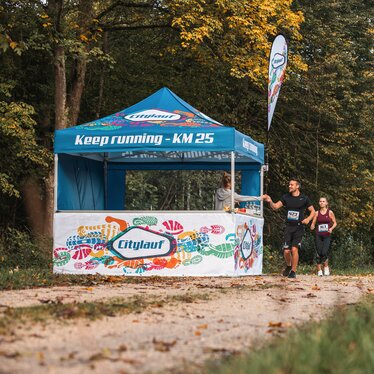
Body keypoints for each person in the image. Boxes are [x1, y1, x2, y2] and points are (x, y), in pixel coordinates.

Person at [262, 179, 315, 278]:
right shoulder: (286, 197)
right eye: (289, 185)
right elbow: (275, 207)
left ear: (297, 186)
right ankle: (289, 266)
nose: (289, 186)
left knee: (294, 249)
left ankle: (293, 272)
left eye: (292, 185)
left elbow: (313, 211)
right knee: (286, 251)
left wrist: (308, 219)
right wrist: (270, 201)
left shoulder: (304, 198)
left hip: (299, 227)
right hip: (288, 227)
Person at [310, 197, 337, 276]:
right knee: (319, 253)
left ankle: (326, 267)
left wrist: (331, 228)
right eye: (320, 201)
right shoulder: (316, 213)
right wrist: (312, 225)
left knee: (324, 252)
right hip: (318, 235)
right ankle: (319, 270)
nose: (322, 202)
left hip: (327, 235)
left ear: (326, 203)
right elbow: (313, 222)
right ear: (319, 203)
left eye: (323, 201)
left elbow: (335, 223)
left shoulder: (330, 212)